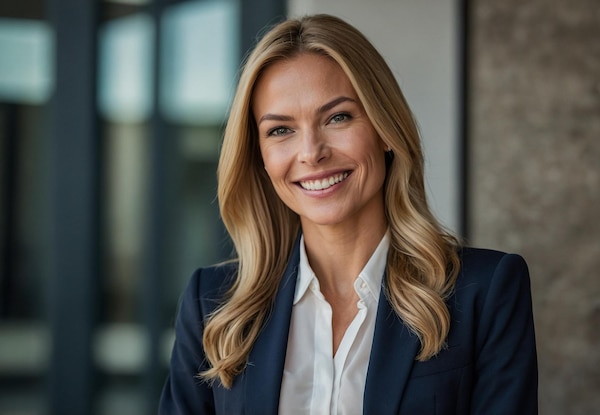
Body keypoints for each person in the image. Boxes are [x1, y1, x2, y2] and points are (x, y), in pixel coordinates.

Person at [159, 13, 537, 415]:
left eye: (338, 117)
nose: (311, 152)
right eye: (280, 130)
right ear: (260, 158)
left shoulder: (485, 291)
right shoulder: (213, 305)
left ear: (385, 129)